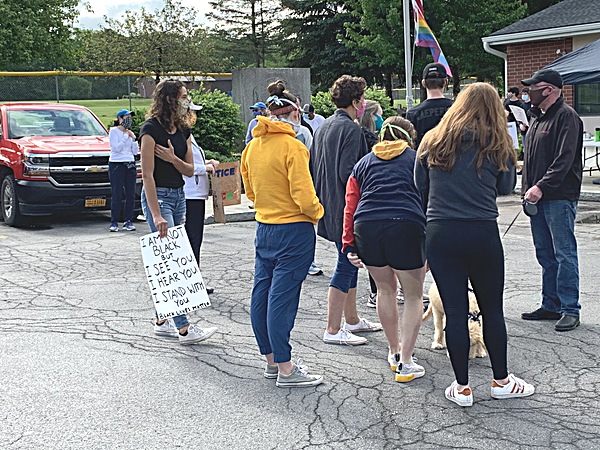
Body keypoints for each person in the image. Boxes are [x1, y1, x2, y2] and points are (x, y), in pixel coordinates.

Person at [415, 82, 535, 407]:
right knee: (492, 309)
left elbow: (419, 186)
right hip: (482, 231)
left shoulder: (432, 141)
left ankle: (462, 387)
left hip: (440, 231)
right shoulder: (499, 143)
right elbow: (507, 188)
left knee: (454, 311)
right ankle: (501, 380)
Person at [242, 80, 324, 387]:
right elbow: (303, 194)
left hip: (265, 226)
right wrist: (318, 213)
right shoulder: (293, 146)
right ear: (293, 112)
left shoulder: (251, 147)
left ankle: (271, 360)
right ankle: (287, 367)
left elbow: (249, 191)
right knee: (283, 299)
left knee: (262, 293)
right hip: (294, 228)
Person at [343, 116, 427, 382]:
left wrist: (348, 244)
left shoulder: (362, 164)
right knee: (413, 295)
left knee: (384, 289)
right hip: (406, 225)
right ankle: (407, 361)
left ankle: (393, 351)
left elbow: (350, 204)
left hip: (367, 226)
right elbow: (429, 199)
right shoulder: (418, 160)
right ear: (408, 138)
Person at [139, 79, 217, 345]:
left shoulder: (184, 129)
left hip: (179, 195)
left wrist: (173, 158)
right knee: (173, 261)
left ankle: (162, 319)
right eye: (183, 96)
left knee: (172, 258)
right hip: (159, 197)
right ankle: (184, 328)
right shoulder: (150, 130)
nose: (187, 100)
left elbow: (188, 169)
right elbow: (147, 176)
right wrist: (157, 215)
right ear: (170, 99)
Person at [310, 74, 382, 346]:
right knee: (345, 264)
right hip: (347, 209)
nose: (363, 104)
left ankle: (351, 319)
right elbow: (350, 174)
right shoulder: (351, 130)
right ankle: (333, 327)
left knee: (350, 265)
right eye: (361, 99)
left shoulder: (323, 127)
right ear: (355, 101)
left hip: (327, 205)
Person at [520, 69, 583, 332]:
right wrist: (527, 189)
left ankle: (570, 308)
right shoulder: (536, 119)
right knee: (545, 254)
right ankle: (551, 304)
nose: (528, 92)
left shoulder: (567, 117)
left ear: (549, 90)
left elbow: (564, 159)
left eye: (533, 87)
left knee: (564, 253)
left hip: (558, 196)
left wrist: (541, 187)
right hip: (536, 197)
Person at [183, 101, 219, 295]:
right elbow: (184, 166)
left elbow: (192, 161)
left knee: (194, 240)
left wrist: (206, 163)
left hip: (196, 194)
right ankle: (192, 283)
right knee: (192, 239)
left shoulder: (189, 135)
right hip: (191, 194)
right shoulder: (183, 135)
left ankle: (193, 280)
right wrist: (204, 168)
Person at [355, 99, 384, 308]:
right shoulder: (368, 140)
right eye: (378, 114)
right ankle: (377, 292)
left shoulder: (361, 135)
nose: (381, 118)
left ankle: (377, 291)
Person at [406, 63, 453, 149]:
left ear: (423, 83)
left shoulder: (413, 113)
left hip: (424, 159)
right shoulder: (457, 108)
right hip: (453, 159)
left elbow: (410, 143)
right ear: (446, 82)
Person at [108, 109, 139, 232]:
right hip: (117, 164)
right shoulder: (114, 131)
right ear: (120, 119)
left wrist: (134, 139)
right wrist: (126, 136)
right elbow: (116, 148)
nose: (128, 121)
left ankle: (128, 220)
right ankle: (114, 221)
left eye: (130, 118)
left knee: (130, 193)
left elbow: (135, 152)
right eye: (126, 118)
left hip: (130, 163)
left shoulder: (129, 133)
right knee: (117, 192)